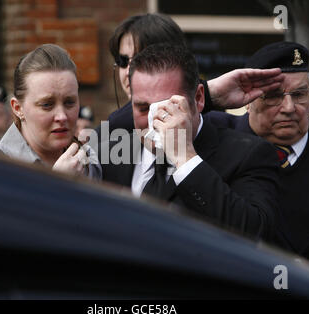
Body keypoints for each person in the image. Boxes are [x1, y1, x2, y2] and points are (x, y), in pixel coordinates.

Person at [99, 43, 280, 242]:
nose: (154, 120)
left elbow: (256, 234)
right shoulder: (113, 152)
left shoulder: (248, 154)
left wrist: (185, 158)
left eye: (168, 108)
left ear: (199, 98)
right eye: (143, 108)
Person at [207, 41, 309, 281]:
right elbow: (143, 119)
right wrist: (208, 93)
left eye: (299, 95)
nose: (288, 108)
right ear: (248, 100)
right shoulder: (217, 141)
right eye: (274, 96)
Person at [104, 13, 285, 136]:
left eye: (143, 62)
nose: (129, 71)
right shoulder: (113, 136)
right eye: (122, 61)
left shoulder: (226, 130)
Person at [0, 44, 100, 179]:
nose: (62, 116)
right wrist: (58, 184)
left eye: (69, 102)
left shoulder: (89, 159)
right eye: (47, 105)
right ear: (18, 108)